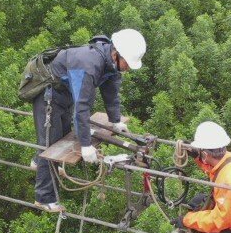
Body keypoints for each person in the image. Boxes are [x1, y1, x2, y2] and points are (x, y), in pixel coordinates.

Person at [32, 29, 147, 213]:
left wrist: (115, 121)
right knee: (50, 145)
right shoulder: (89, 64)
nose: (128, 68)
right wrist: (86, 145)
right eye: (127, 63)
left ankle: (41, 164)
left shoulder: (111, 63)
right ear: (116, 53)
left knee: (61, 137)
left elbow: (111, 93)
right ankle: (44, 197)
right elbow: (82, 106)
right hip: (49, 96)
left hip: (64, 94)